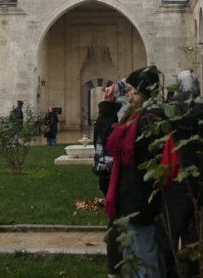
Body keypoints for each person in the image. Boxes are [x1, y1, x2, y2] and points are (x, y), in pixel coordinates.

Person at [105, 66, 166, 278]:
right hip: (130, 201)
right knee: (131, 255)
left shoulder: (148, 121)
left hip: (140, 202)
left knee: (143, 257)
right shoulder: (135, 120)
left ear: (144, 90)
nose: (128, 94)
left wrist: (107, 107)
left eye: (132, 89)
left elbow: (109, 141)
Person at [159, 70, 203, 277]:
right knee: (199, 231)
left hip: (176, 177)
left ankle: (171, 271)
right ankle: (196, 271)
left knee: (171, 230)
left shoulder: (169, 111)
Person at [95, 85, 123, 277]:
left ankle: (116, 267)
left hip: (113, 179)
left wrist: (106, 106)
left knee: (116, 223)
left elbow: (103, 134)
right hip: (114, 179)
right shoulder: (114, 128)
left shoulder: (110, 129)